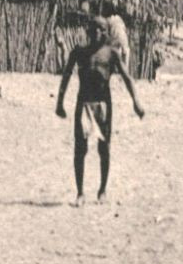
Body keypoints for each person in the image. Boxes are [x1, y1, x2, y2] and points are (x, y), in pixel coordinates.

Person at [56, 17, 146, 204]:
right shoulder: (79, 53)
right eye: (92, 29)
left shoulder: (111, 53)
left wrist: (136, 101)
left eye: (100, 30)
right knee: (80, 149)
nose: (96, 33)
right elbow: (65, 76)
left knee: (104, 149)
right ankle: (80, 192)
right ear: (87, 31)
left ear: (105, 33)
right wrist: (60, 102)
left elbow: (127, 77)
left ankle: (102, 191)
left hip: (104, 105)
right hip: (84, 104)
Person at [100, 0, 133, 68]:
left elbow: (106, 33)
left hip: (114, 40)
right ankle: (125, 70)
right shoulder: (119, 18)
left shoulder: (107, 20)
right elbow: (124, 29)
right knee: (125, 53)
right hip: (123, 40)